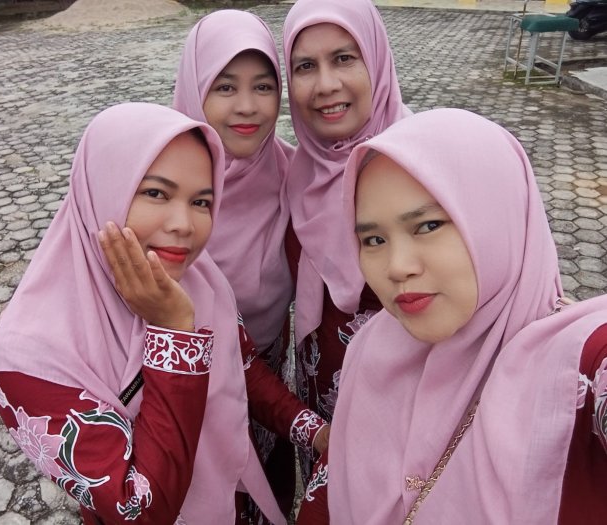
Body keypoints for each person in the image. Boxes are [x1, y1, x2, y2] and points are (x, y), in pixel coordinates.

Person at [0, 103, 327, 525]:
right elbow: (142, 510)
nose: (184, 224)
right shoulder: (26, 356)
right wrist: (173, 334)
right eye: (156, 193)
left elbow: (243, 369)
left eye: (201, 201)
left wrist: (314, 432)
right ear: (102, 191)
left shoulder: (198, 278)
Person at [296, 108, 607, 524]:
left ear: (497, 219)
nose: (396, 267)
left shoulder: (574, 368)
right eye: (374, 239)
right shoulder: (371, 350)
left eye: (427, 226)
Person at [173, 10, 299, 519]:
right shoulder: (159, 184)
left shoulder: (298, 177)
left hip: (268, 377)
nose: (247, 106)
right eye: (225, 87)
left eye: (263, 86)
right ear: (194, 88)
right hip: (184, 386)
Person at [281, 0, 410, 477]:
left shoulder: (422, 168)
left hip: (405, 415)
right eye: (305, 66)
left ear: (375, 60)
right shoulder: (296, 172)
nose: (325, 85)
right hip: (318, 406)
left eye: (343, 58)